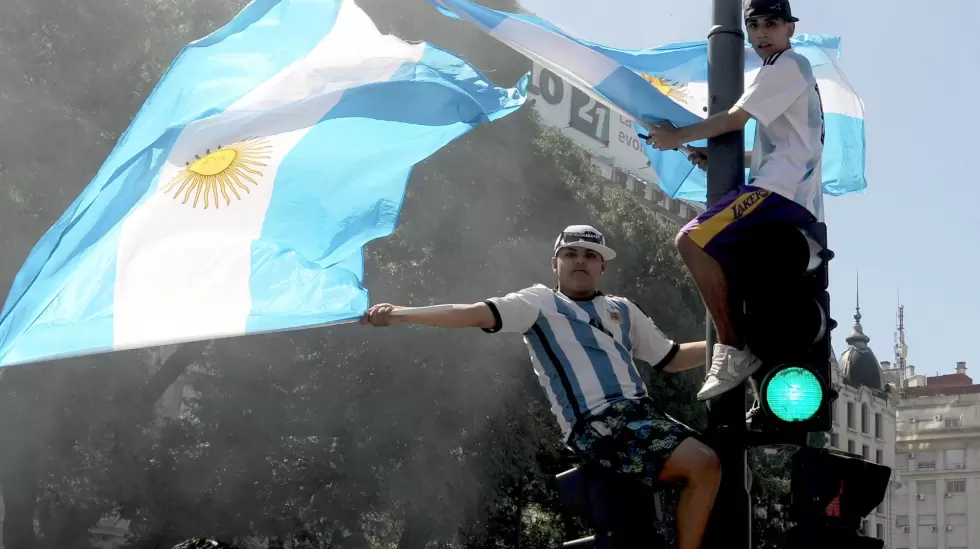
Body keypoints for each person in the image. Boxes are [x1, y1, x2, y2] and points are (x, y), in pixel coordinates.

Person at [361, 224, 720, 549]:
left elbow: (670, 357)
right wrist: (401, 313)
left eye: (590, 255)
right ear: (555, 263)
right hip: (598, 422)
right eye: (571, 253)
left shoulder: (622, 310)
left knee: (727, 469)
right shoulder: (539, 303)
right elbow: (472, 313)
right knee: (704, 465)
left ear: (602, 266)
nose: (580, 261)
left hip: (643, 415)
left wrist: (728, 345)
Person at [642, 0, 824, 402]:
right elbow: (789, 145)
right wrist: (724, 159)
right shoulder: (788, 72)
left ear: (790, 29)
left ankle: (731, 348)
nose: (761, 33)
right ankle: (744, 347)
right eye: (754, 24)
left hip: (779, 192)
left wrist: (676, 136)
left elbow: (733, 119)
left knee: (691, 241)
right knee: (732, 262)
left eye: (771, 24)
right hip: (786, 191)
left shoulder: (787, 66)